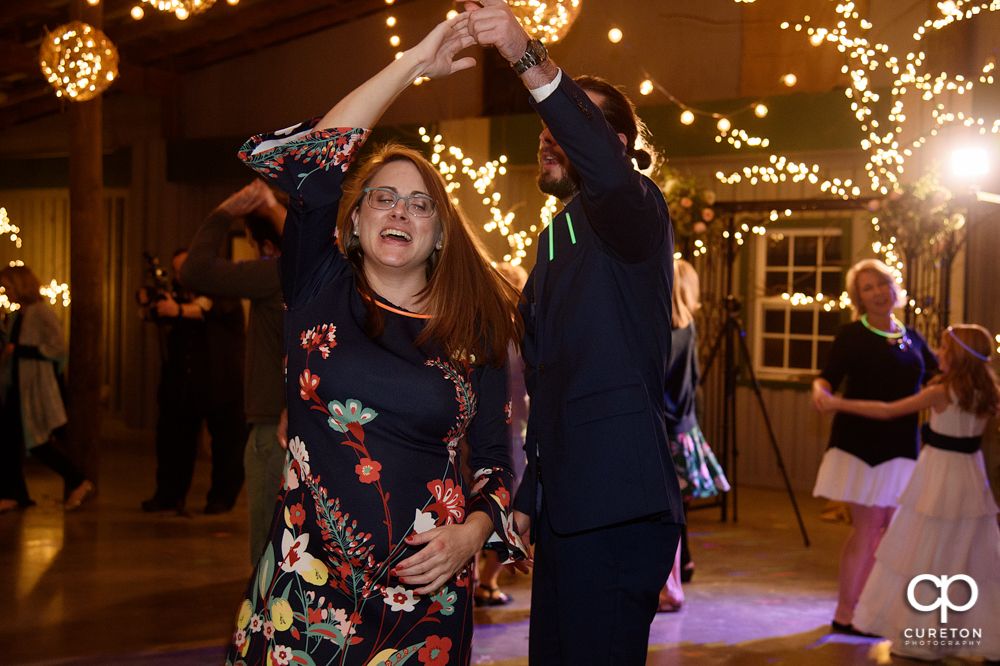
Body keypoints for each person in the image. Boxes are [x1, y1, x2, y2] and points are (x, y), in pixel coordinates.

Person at [225, 15, 525, 665]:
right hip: (300, 594)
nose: (399, 211)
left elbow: (499, 464)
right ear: (354, 221)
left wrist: (472, 535)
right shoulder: (316, 285)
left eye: (419, 205)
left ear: (440, 233)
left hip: (424, 598)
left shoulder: (474, 327)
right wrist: (413, 63)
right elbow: (315, 158)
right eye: (383, 198)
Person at [466, 2, 683, 661]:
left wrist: (520, 51)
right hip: (567, 509)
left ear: (615, 146)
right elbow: (554, 386)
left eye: (569, 122)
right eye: (545, 123)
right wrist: (531, 493)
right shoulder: (554, 236)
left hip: (618, 506)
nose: (547, 132)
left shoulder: (632, 209)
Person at [817, 324, 1000, 661]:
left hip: (940, 477)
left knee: (930, 551)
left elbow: (888, 412)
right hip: (971, 477)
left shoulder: (942, 392)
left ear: (958, 355)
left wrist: (838, 405)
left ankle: (926, 636)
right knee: (966, 553)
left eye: (944, 349)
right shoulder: (987, 389)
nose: (938, 354)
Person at [810, 258, 938, 634]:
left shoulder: (911, 335)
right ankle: (846, 613)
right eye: (868, 288)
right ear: (859, 298)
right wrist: (820, 392)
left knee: (887, 529)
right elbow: (827, 378)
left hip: (902, 446)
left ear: (893, 289)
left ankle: (870, 607)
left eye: (881, 284)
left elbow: (938, 376)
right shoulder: (852, 334)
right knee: (867, 528)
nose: (878, 293)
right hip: (860, 445)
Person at [180, 180, 287, 563]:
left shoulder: (274, 274)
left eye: (255, 247)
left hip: (272, 428)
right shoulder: (329, 278)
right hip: (308, 425)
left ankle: (264, 622)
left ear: (269, 248)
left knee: (267, 549)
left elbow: (195, 270)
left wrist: (224, 212)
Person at [139, 251, 248, 515]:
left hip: (221, 384)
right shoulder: (176, 291)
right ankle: (169, 496)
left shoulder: (223, 288)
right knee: (172, 445)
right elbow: (153, 312)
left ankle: (221, 498)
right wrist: (149, 302)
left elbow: (209, 308)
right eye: (177, 270)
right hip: (181, 384)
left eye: (184, 269)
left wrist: (176, 310)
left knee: (226, 447)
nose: (180, 276)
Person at [657, 259, 730, 613]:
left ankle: (670, 588)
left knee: (663, 520)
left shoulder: (662, 332)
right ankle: (673, 580)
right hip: (683, 429)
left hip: (666, 432)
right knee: (673, 517)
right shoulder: (689, 327)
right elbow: (694, 383)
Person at [0, 265, 92, 513]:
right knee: (8, 442)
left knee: (37, 442)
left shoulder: (40, 313)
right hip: (16, 387)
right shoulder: (21, 314)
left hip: (31, 389)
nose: (5, 292)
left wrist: (20, 350)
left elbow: (58, 348)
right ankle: (14, 494)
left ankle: (77, 480)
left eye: (7, 287)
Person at [473, 261, 529, 607]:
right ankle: (488, 581)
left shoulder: (475, 329)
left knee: (479, 501)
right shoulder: (517, 334)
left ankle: (479, 580)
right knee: (503, 504)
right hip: (511, 431)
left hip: (478, 431)